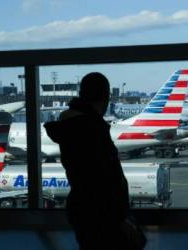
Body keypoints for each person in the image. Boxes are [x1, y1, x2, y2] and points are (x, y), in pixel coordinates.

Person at [44, 72, 145, 250]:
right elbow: (102, 181)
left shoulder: (74, 127)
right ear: (105, 97)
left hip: (87, 215)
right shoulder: (91, 129)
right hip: (104, 219)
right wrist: (119, 219)